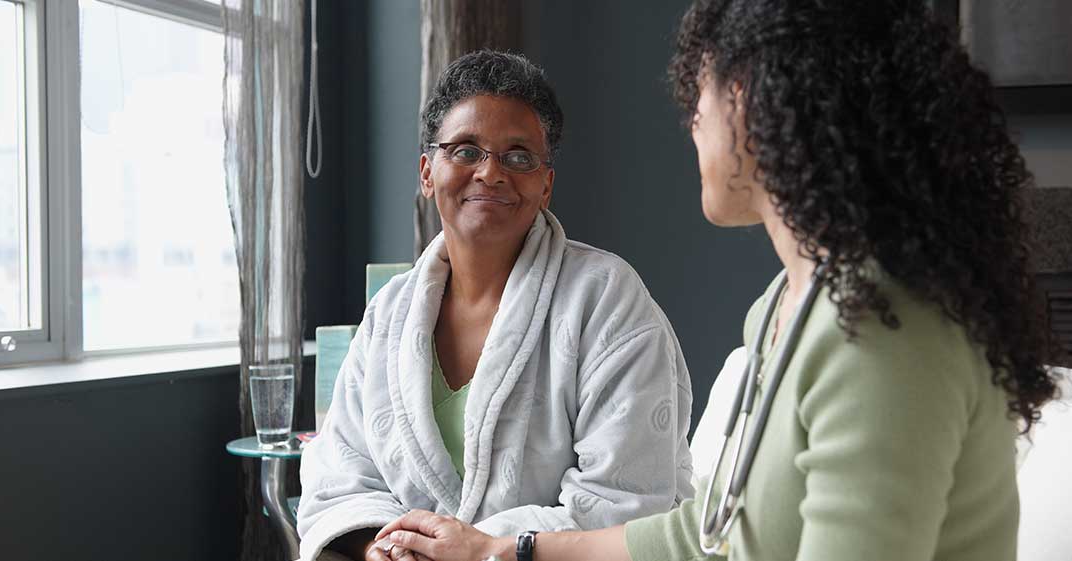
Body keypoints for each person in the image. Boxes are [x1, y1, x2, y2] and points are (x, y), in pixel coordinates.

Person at [372, 2, 1059, 560]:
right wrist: (507, 550)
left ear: (763, 102)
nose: (692, 119)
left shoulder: (881, 328)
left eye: (700, 91)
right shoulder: (783, 308)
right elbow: (706, 532)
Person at [296, 51, 696, 561]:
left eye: (519, 156)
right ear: (427, 172)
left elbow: (628, 505)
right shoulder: (390, 312)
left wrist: (482, 549)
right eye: (465, 151)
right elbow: (339, 477)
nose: (490, 172)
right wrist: (386, 546)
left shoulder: (606, 299)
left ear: (545, 184)